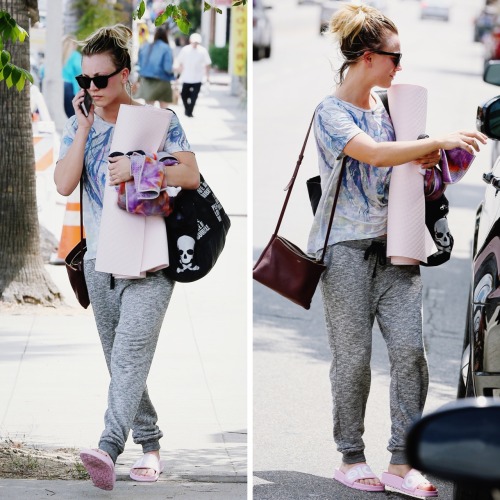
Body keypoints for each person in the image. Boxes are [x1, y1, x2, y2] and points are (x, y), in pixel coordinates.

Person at [306, 4, 487, 498]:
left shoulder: (391, 105)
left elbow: (407, 166)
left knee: (411, 352)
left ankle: (401, 462)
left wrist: (445, 151)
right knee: (354, 358)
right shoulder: (331, 112)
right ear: (367, 57)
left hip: (398, 246)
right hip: (344, 250)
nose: (399, 65)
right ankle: (350, 456)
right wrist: (430, 141)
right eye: (394, 56)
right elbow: (374, 153)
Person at [54, 24, 199, 491]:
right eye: (85, 81)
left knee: (131, 355)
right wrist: (81, 129)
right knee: (122, 364)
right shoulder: (84, 124)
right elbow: (62, 182)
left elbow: (192, 174)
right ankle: (152, 446)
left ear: (126, 75)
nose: (92, 89)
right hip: (102, 263)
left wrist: (141, 166)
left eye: (101, 79)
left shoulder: (158, 120)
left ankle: (108, 446)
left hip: (153, 260)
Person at [137, 25, 175, 108]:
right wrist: (176, 71)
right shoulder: (166, 48)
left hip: (147, 81)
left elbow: (139, 65)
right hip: (163, 81)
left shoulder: (146, 46)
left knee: (149, 110)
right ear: (166, 35)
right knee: (164, 111)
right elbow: (167, 68)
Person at [176, 33, 211, 117]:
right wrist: (178, 76)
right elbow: (180, 62)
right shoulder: (185, 50)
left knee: (194, 96)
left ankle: (189, 112)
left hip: (198, 77)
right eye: (194, 42)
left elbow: (207, 64)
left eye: (197, 42)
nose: (195, 44)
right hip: (186, 77)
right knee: (184, 95)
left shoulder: (203, 51)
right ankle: (187, 108)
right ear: (190, 41)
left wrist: (207, 76)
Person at [62, 35, 82, 117]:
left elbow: (42, 70)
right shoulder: (76, 56)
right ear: (74, 45)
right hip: (70, 88)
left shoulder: (57, 55)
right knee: (73, 117)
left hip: (58, 87)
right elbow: (80, 71)